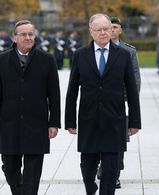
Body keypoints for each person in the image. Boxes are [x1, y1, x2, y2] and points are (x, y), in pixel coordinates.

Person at [65, 13, 141, 195]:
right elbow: (72, 90)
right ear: (91, 32)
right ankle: (91, 189)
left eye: (106, 29)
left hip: (114, 119)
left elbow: (131, 90)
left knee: (111, 166)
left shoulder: (123, 55)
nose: (103, 33)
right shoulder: (80, 55)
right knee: (87, 165)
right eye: (98, 30)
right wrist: (69, 120)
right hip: (88, 119)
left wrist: (134, 122)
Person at [0, 20, 61, 195]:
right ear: (14, 37)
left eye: (31, 34)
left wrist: (54, 122)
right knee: (10, 168)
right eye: (24, 34)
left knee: (32, 173)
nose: (28, 37)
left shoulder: (47, 60)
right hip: (8, 125)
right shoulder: (2, 60)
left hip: (37, 124)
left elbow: (54, 95)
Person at [96, 16, 141, 189]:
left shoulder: (128, 51)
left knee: (119, 139)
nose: (112, 30)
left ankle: (115, 173)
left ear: (120, 30)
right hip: (100, 102)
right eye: (109, 27)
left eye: (115, 27)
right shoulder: (96, 49)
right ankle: (102, 166)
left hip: (119, 101)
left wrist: (132, 100)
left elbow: (135, 77)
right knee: (99, 135)